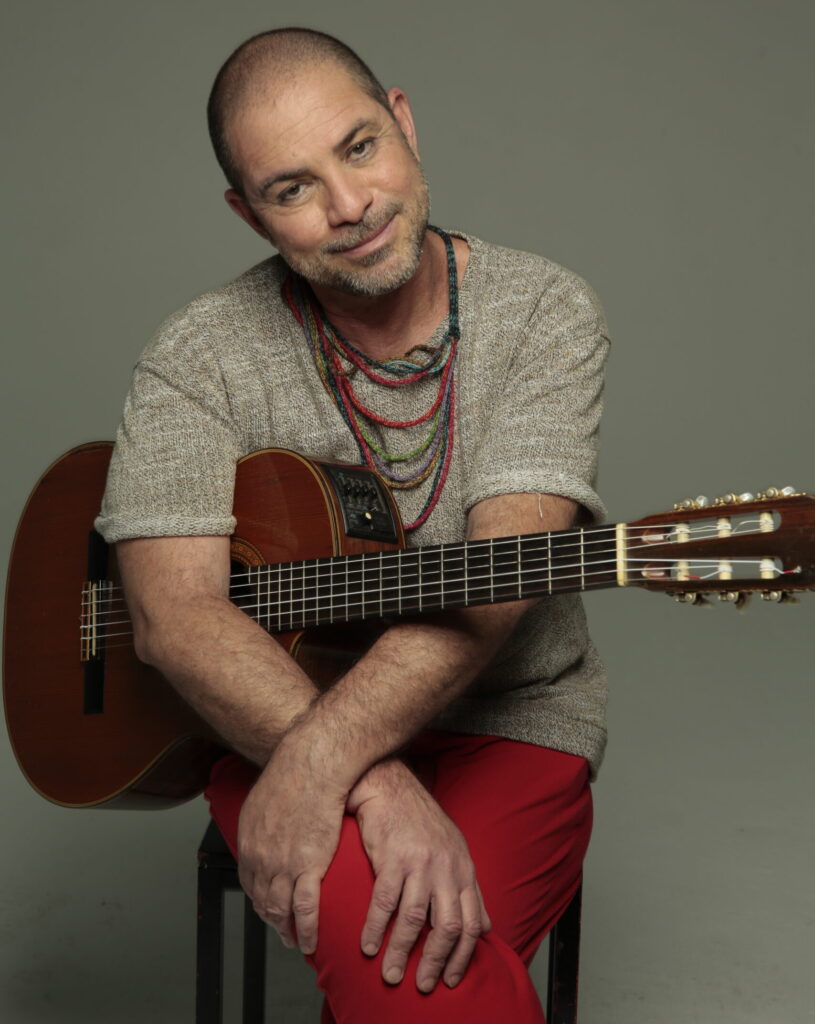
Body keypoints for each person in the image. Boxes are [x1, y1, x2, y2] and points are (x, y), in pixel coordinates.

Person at [95, 27, 610, 1023]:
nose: (350, 206)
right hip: (270, 716)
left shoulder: (544, 310)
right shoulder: (195, 355)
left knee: (419, 984)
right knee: (418, 985)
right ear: (248, 214)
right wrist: (369, 776)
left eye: (359, 146)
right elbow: (172, 618)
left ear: (405, 123)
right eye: (290, 189)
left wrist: (333, 763)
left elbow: (498, 580)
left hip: (508, 722)